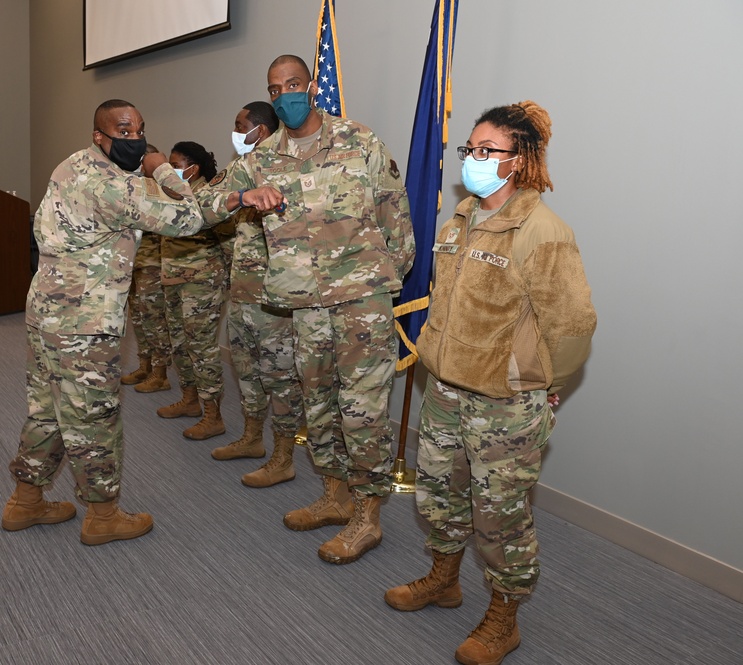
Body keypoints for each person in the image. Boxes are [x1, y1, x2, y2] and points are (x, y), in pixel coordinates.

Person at [383, 101, 596, 665]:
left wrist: (546, 384)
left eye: (487, 150)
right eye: (469, 150)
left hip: (505, 402)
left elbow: (572, 326)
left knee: (500, 516)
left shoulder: (542, 231)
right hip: (446, 389)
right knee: (438, 496)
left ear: (519, 161)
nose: (473, 160)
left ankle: (504, 616)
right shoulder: (461, 218)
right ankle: (444, 579)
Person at [197, 55, 414, 564]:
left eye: (293, 84)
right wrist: (241, 196)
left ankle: (367, 515)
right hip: (304, 305)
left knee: (363, 411)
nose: (286, 94)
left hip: (361, 302)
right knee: (318, 404)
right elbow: (207, 207)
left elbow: (396, 215)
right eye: (276, 89)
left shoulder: (359, 141)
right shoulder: (260, 157)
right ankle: (335, 496)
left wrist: (382, 282)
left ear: (312, 86)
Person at [2, 99, 204, 545]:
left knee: (48, 410)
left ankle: (26, 501)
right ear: (100, 135)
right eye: (125, 132)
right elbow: (190, 217)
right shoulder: (114, 187)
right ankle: (104, 514)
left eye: (141, 132)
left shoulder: (73, 164)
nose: (135, 140)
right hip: (84, 322)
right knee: (95, 416)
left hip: (46, 311)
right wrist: (160, 169)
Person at [208, 101, 306, 489]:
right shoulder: (241, 170)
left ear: (261, 131)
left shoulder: (289, 168)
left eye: (240, 126)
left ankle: (283, 457)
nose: (235, 132)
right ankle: (251, 439)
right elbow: (209, 207)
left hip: (275, 300)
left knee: (279, 377)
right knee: (247, 371)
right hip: (242, 292)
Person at [155, 141, 228, 441]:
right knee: (179, 344)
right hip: (173, 279)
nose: (171, 170)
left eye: (175, 164)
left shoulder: (207, 196)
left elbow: (228, 238)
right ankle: (190, 400)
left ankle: (213, 416)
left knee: (201, 348)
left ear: (192, 168)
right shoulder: (173, 196)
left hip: (202, 282)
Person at [121, 144, 173, 394]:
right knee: (139, 319)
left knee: (154, 320)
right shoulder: (133, 188)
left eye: (143, 163)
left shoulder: (161, 191)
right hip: (135, 263)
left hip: (153, 264)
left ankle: (160, 374)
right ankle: (145, 365)